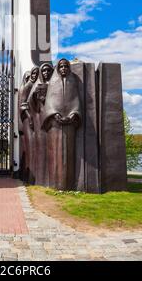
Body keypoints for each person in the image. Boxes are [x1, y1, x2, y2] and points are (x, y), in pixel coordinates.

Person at [41, 58, 82, 190]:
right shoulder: (53, 83)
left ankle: (69, 185)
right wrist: (54, 114)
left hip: (70, 124)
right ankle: (55, 183)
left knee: (69, 154)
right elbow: (49, 102)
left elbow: (76, 100)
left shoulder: (72, 83)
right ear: (58, 69)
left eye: (65, 66)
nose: (63, 69)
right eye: (61, 67)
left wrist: (73, 114)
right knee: (55, 153)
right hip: (55, 124)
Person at [28, 63, 54, 185]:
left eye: (48, 70)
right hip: (40, 119)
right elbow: (29, 102)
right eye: (43, 71)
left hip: (52, 120)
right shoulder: (37, 85)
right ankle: (41, 178)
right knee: (42, 148)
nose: (46, 73)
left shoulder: (55, 84)